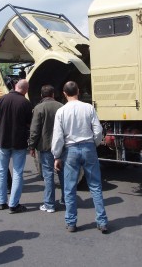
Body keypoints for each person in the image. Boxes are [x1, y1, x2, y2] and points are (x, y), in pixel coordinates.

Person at [51, 81, 108, 234]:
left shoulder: (61, 112)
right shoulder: (88, 108)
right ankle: (102, 221)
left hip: (70, 150)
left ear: (64, 93)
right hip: (88, 147)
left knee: (69, 187)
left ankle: (71, 223)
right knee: (95, 185)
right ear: (78, 91)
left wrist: (57, 155)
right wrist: (93, 144)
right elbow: (98, 130)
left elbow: (58, 136)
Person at [0, 79, 32, 214]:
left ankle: (1, 202)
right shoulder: (25, 103)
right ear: (25, 90)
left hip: (2, 141)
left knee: (1, 171)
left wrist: (2, 125)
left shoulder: (2, 99)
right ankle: (14, 204)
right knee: (18, 172)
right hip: (19, 142)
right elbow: (29, 124)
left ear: (15, 87)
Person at [28, 85, 64, 213]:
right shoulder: (61, 106)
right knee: (63, 173)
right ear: (53, 94)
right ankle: (65, 199)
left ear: (42, 95)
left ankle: (49, 204)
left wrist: (31, 146)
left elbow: (35, 130)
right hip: (61, 146)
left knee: (48, 174)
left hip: (45, 146)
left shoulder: (38, 108)